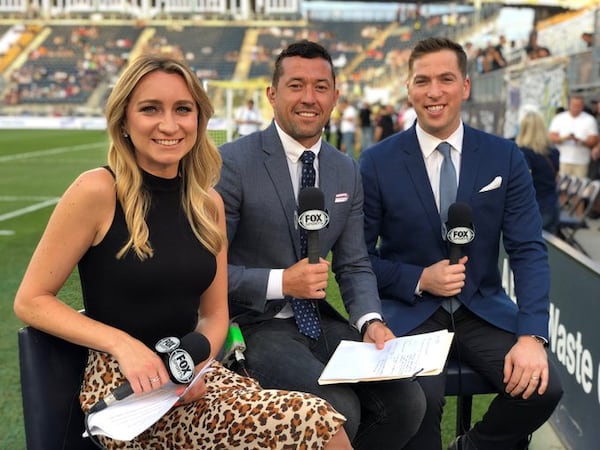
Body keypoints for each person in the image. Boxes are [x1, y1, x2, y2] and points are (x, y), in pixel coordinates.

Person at [13, 54, 352, 450]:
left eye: (183, 110)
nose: (169, 124)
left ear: (198, 120)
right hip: (123, 390)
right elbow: (31, 300)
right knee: (314, 422)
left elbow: (214, 316)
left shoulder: (208, 204)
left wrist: (192, 367)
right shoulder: (97, 191)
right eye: (150, 109)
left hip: (190, 376)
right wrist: (123, 346)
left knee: (319, 418)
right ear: (124, 119)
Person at [216, 40, 426, 450]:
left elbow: (354, 263)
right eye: (296, 85)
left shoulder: (345, 170)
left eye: (320, 87)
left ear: (334, 97)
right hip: (252, 324)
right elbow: (206, 270)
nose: (309, 98)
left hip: (318, 320)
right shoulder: (232, 163)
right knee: (337, 405)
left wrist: (371, 322)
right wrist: (282, 282)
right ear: (272, 94)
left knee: (406, 402)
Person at [359, 37, 563, 450]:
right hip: (410, 313)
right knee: (419, 404)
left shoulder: (503, 157)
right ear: (409, 88)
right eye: (423, 81)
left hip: (482, 308)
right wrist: (420, 279)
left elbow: (527, 250)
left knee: (544, 388)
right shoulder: (376, 161)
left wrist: (532, 336)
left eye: (446, 79)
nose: (434, 92)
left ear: (465, 86)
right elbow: (358, 259)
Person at [516, 110, 561, 234]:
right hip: (552, 203)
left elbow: (522, 182)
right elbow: (556, 176)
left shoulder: (524, 153)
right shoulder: (553, 151)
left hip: (533, 207)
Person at [548, 93, 598, 178]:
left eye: (579, 106)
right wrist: (564, 138)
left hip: (581, 161)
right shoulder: (559, 118)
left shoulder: (589, 120)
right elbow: (551, 137)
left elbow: (594, 140)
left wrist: (581, 141)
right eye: (574, 105)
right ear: (569, 105)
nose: (576, 108)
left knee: (580, 187)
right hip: (562, 160)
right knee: (562, 187)